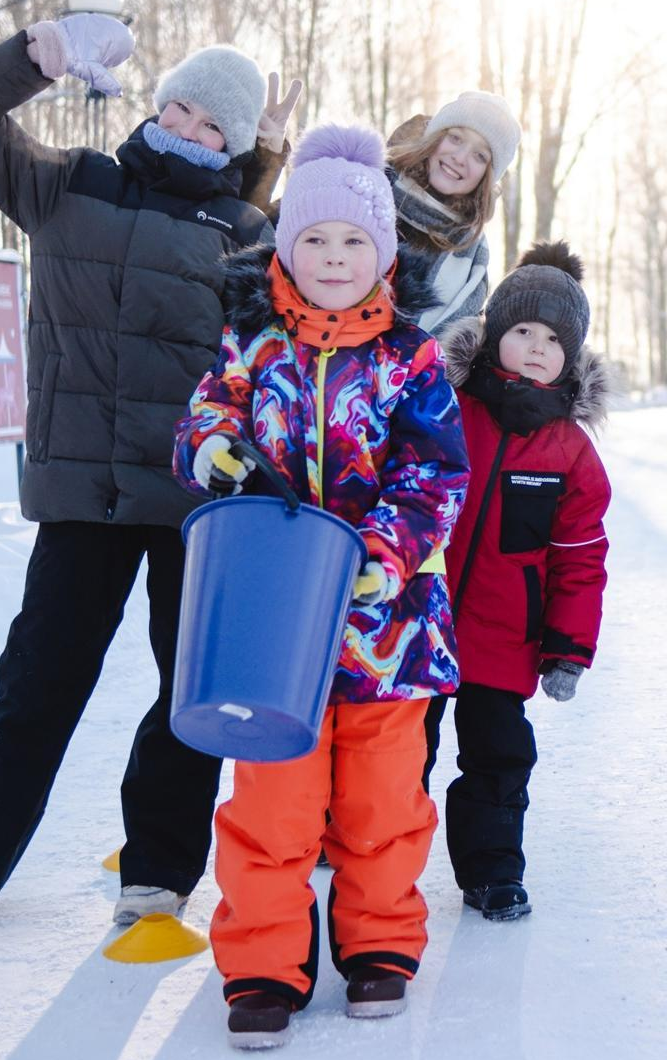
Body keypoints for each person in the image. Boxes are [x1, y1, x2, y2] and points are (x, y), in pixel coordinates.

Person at [0, 17, 273, 930]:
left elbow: (304, 321)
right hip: (85, 495)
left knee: (189, 693)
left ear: (237, 143)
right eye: (179, 100)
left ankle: (160, 870)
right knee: (37, 688)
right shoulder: (72, 184)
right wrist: (35, 57)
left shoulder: (247, 230)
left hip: (193, 500)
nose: (185, 121)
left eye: (213, 120)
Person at [173, 124, 468, 1047]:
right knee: (271, 804)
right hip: (271, 634)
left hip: (388, 628)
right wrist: (209, 450)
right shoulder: (250, 348)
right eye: (314, 239)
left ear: (381, 252)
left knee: (383, 805)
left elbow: (436, 474)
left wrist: (376, 554)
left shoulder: (412, 359)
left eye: (352, 242)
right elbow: (202, 422)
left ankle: (379, 947)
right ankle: (262, 963)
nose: (334, 258)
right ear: (285, 247)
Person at [426, 242, 611, 923]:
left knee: (500, 757)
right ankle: (360, 850)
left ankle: (493, 872)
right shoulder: (443, 412)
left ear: (571, 356)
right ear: (493, 337)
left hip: (504, 638)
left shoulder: (569, 451)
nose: (536, 347)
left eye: (553, 339)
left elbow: (580, 557)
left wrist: (567, 645)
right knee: (395, 752)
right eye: (522, 331)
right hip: (418, 626)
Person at [387, 92, 523, 334]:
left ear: (487, 175)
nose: (460, 158)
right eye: (456, 138)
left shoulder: (471, 255)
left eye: (480, 156)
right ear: (435, 137)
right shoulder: (371, 189)